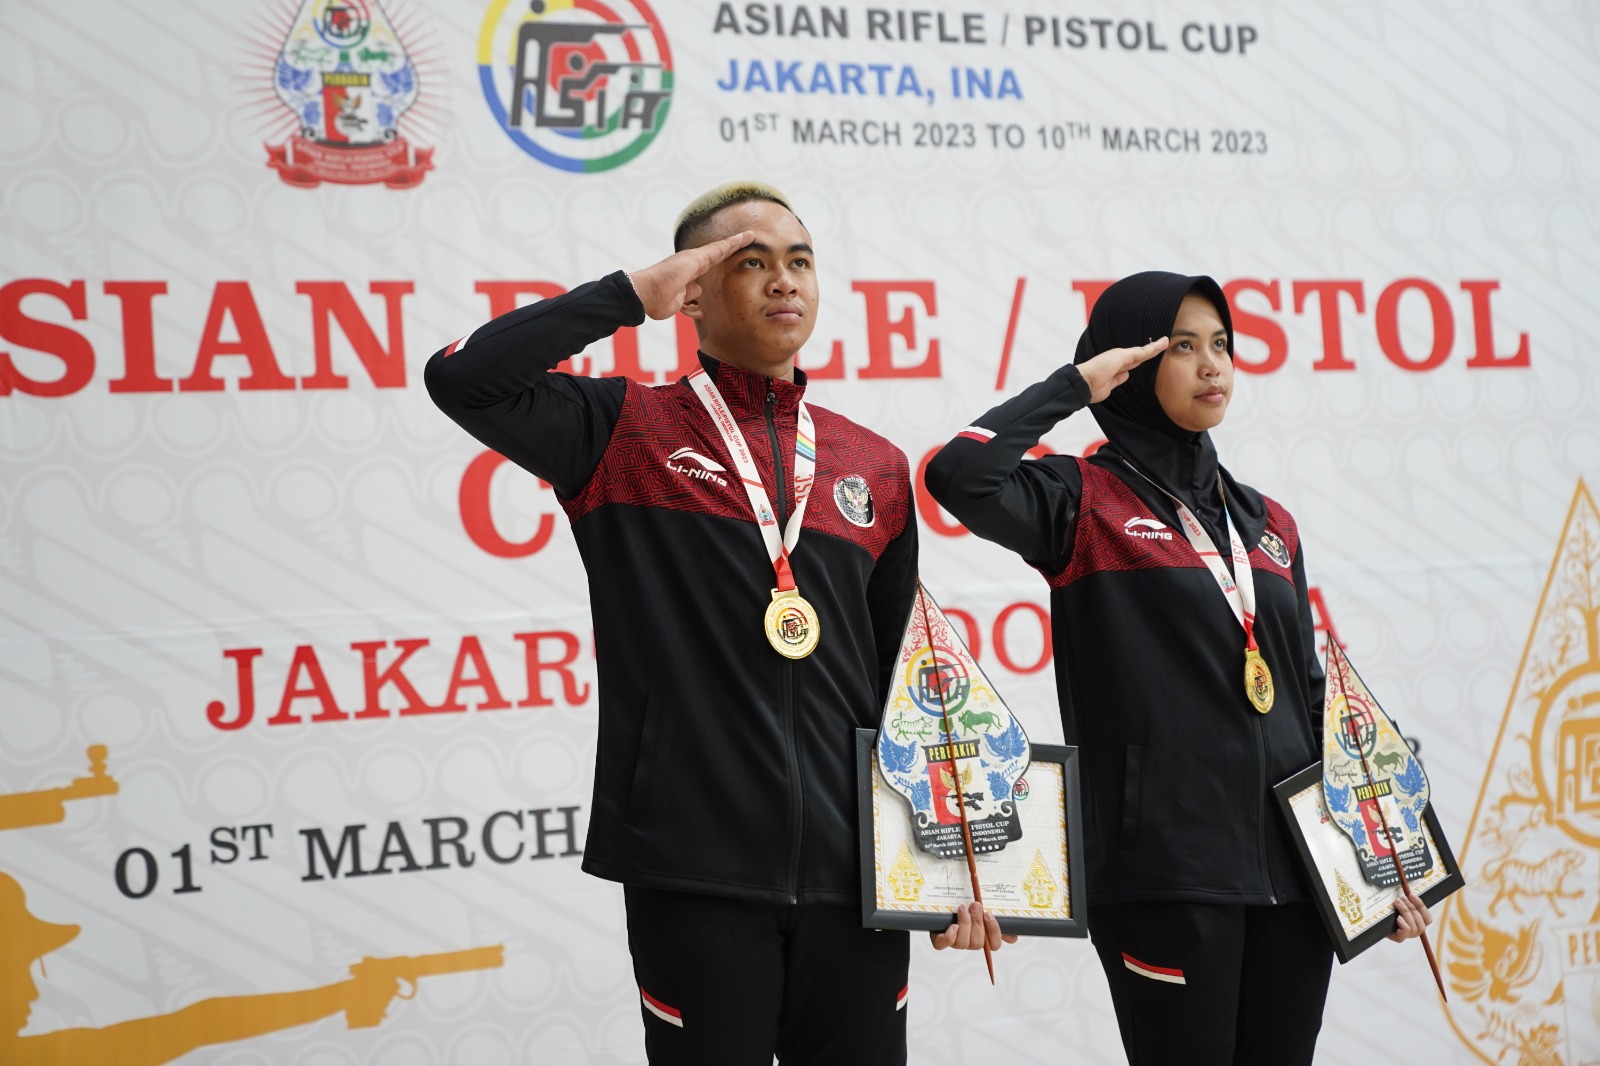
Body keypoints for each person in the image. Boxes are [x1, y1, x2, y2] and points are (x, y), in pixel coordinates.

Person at [425, 182, 1002, 1065]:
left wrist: (948, 865)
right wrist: (629, 295)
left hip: (855, 883)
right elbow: (462, 378)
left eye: (800, 261)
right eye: (751, 262)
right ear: (691, 288)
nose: (785, 281)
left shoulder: (874, 466)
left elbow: (904, 686)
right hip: (693, 873)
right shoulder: (623, 432)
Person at [925, 272, 1431, 1065]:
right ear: (1129, 365)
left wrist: (1383, 859)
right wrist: (1076, 386)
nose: (1212, 364)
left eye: (1221, 344)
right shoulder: (1081, 501)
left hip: (1299, 879)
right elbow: (958, 475)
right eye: (1182, 346)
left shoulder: (1268, 523)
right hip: (1165, 875)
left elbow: (1309, 696)